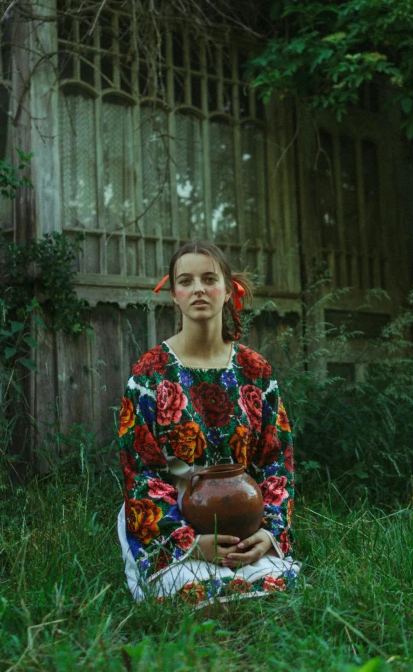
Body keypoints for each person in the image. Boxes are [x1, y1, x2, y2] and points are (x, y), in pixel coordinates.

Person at [117, 241, 299, 608]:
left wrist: (269, 532)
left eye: (209, 279)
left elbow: (276, 460)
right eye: (186, 281)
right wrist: (190, 543)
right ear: (174, 295)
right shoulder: (149, 373)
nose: (198, 288)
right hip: (173, 522)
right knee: (197, 594)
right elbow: (141, 473)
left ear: (229, 290)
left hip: (246, 521)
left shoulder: (256, 370)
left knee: (277, 589)